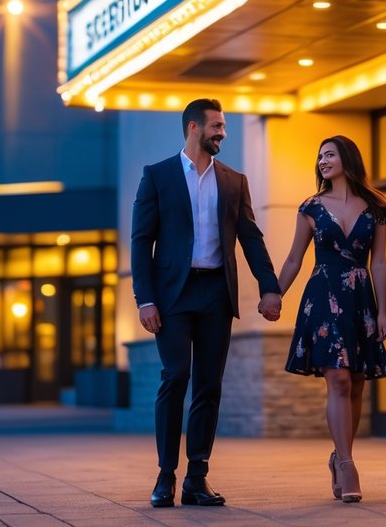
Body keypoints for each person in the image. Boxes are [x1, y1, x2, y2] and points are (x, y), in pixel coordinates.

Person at [130, 98, 283, 509]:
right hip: (173, 295)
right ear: (194, 128)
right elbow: (141, 241)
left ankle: (197, 476)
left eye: (224, 126)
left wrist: (270, 287)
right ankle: (166, 477)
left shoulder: (234, 180)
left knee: (209, 385)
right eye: (217, 125)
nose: (222, 133)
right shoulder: (158, 176)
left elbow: (251, 237)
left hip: (216, 293)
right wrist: (145, 299)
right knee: (175, 376)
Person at [277, 134, 386, 504]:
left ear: (347, 158)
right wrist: (273, 294)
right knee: (339, 378)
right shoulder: (310, 207)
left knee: (356, 381)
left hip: (360, 298)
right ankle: (347, 464)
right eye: (319, 157)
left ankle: (339, 455)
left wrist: (383, 310)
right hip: (322, 298)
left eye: (329, 154)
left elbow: (379, 261)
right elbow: (295, 259)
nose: (323, 161)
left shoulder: (377, 208)